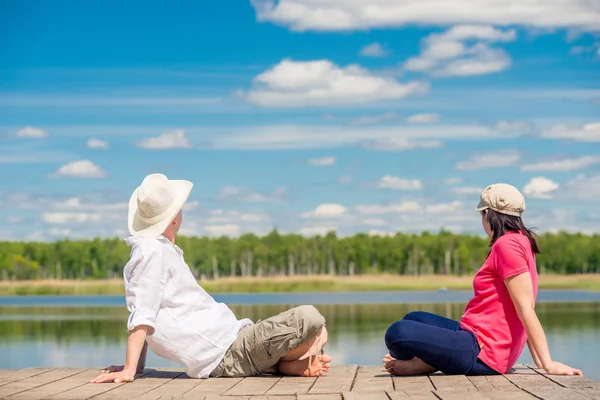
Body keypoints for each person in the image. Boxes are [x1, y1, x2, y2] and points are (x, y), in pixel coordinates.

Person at [91, 173, 331, 384]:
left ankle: (280, 365)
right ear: (174, 218)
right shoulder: (151, 251)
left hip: (235, 341)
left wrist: (138, 366)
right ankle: (286, 364)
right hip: (229, 351)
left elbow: (148, 310)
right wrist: (130, 369)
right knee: (311, 317)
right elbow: (142, 312)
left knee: (320, 332)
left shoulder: (161, 251)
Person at [382, 183, 582, 377]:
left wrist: (547, 364)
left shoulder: (507, 246)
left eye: (482, 214)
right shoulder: (521, 241)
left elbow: (525, 308)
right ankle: (428, 361)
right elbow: (523, 305)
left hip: (483, 351)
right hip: (474, 335)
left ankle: (422, 365)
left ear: (488, 214)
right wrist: (539, 360)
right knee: (413, 318)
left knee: (397, 333)